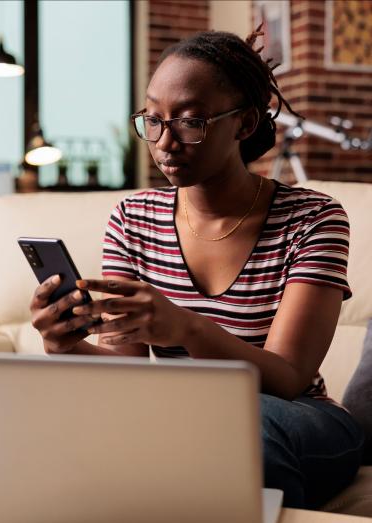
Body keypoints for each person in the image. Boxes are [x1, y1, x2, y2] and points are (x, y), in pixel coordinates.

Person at [30, 29, 364, 509]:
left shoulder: (313, 218)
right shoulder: (133, 219)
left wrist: (185, 327)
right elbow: (125, 368)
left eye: (190, 122)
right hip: (178, 417)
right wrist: (61, 346)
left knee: (242, 429)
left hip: (296, 418)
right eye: (153, 119)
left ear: (245, 123)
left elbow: (289, 376)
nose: (165, 142)